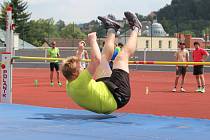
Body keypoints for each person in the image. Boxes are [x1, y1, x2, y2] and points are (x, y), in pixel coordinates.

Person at [61, 11, 142, 114]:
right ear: (75, 73)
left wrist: (80, 52)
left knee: (104, 59)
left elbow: (77, 66)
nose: (82, 67)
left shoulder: (70, 83)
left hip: (105, 90)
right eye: (80, 68)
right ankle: (136, 28)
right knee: (121, 58)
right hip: (118, 97)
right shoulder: (80, 82)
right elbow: (96, 60)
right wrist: (93, 40)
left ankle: (112, 28)